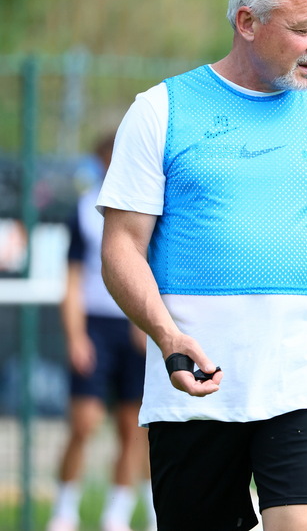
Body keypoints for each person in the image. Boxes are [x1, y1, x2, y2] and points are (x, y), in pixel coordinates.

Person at [97, 0, 307, 531]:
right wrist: (167, 337)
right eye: (303, 28)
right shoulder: (160, 110)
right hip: (194, 387)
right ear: (247, 22)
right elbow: (120, 248)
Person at [47, 132, 156, 531]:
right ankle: (64, 509)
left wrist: (147, 321)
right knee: (85, 421)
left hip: (135, 328)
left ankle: (117, 514)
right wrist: (76, 336)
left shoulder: (151, 206)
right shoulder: (83, 208)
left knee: (133, 427)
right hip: (95, 326)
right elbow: (72, 280)